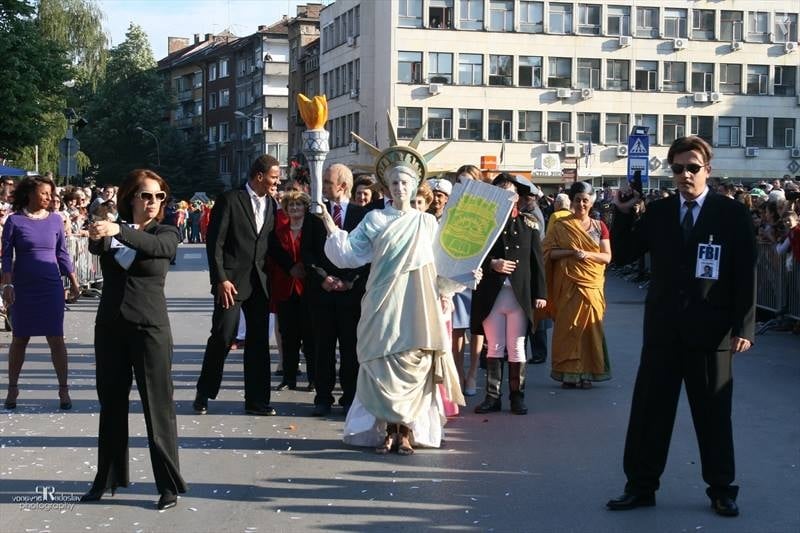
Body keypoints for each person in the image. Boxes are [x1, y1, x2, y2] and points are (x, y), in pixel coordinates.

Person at [606, 136, 757, 517]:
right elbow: (623, 255)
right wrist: (623, 214)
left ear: (708, 169)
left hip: (712, 332)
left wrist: (744, 327)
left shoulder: (731, 214)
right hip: (663, 331)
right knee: (649, 411)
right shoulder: (658, 213)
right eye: (677, 168)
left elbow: (745, 274)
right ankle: (640, 486)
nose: (684, 175)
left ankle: (722, 488)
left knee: (713, 413)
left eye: (692, 167)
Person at [320, 160, 468, 454]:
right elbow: (349, 254)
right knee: (381, 361)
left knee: (415, 361)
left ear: (413, 187)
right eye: (395, 184)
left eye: (405, 183)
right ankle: (388, 430)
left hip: (417, 301)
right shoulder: (375, 219)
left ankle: (407, 431)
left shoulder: (427, 222)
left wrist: (461, 276)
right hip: (382, 299)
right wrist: (330, 225)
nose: (400, 189)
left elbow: (440, 264)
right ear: (387, 188)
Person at [81, 169, 187, 510]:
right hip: (111, 326)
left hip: (149, 329)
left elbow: (157, 247)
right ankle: (107, 477)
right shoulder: (116, 229)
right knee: (111, 405)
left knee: (158, 408)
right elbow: (96, 245)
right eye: (146, 196)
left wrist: (118, 230)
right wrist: (100, 228)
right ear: (131, 199)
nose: (153, 202)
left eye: (159, 197)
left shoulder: (166, 231)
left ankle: (167, 485)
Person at [194, 155, 297, 416]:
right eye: (274, 177)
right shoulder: (231, 199)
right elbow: (214, 243)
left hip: (260, 283)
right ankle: (204, 393)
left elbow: (271, 244)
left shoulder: (272, 205)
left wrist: (292, 266)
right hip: (231, 282)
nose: (278, 181)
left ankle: (257, 400)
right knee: (223, 336)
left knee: (258, 342)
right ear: (259, 176)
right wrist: (220, 279)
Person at [2, 175, 80, 410]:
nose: (49, 197)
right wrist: (6, 285)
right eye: (44, 193)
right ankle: (12, 388)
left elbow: (62, 253)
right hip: (23, 286)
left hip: (50, 286)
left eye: (51, 194)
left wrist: (74, 281)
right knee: (20, 338)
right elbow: (5, 256)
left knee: (56, 338)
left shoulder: (56, 220)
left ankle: (64, 389)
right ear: (30, 194)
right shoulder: (14, 221)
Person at [472, 174, 546, 415]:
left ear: (517, 197)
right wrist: (492, 263)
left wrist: (540, 293)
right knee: (494, 346)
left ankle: (517, 396)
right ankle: (492, 397)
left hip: (519, 295)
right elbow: (472, 257)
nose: (506, 197)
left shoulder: (528, 224)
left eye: (510, 193)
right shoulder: (483, 225)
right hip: (492, 294)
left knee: (516, 347)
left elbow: (537, 263)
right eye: (501, 192)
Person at [302, 163, 368, 416]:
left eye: (328, 183)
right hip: (323, 293)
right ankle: (323, 396)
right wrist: (323, 278)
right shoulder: (315, 215)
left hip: (351, 294)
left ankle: (350, 397)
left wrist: (350, 280)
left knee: (350, 348)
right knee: (323, 347)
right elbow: (307, 252)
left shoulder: (361, 215)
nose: (324, 188)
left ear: (342, 186)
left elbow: (366, 253)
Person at [542, 181, 612, 389]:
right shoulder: (561, 226)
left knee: (590, 329)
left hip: (592, 285)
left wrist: (587, 255)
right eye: (577, 200)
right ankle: (568, 373)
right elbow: (548, 252)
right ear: (571, 202)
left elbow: (607, 257)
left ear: (592, 202)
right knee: (568, 327)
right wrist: (571, 253)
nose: (581, 204)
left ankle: (589, 372)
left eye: (585, 200)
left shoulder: (600, 227)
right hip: (567, 285)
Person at [271, 191, 314, 391]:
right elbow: (274, 257)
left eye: (299, 204)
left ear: (305, 207)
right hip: (285, 288)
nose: (295, 208)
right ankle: (289, 378)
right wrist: (290, 268)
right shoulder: (279, 232)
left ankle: (314, 379)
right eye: (291, 205)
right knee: (288, 337)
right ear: (286, 210)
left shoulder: (313, 229)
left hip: (308, 289)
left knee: (311, 337)